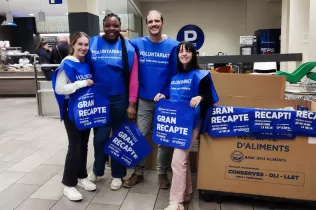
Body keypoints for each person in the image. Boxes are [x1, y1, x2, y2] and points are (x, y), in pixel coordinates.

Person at [154, 41, 219, 210]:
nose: (184, 54)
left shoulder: (201, 75)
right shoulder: (175, 77)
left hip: (192, 123)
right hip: (177, 124)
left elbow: (210, 96)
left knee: (177, 161)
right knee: (183, 161)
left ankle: (176, 203)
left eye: (187, 51)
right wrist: (162, 95)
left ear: (193, 54)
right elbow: (171, 96)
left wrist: (201, 98)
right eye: (181, 51)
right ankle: (187, 193)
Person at [123, 10, 179, 189]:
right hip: (144, 100)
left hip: (166, 100)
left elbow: (178, 75)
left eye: (157, 21)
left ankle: (162, 173)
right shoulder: (137, 44)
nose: (154, 24)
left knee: (164, 139)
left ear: (162, 22)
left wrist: (167, 92)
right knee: (139, 136)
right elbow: (119, 46)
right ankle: (138, 172)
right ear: (146, 24)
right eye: (150, 21)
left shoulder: (173, 45)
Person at [86, 13, 138, 190]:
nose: (111, 29)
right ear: (103, 26)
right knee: (99, 137)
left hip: (119, 99)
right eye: (108, 25)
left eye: (115, 26)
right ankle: (97, 170)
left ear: (120, 27)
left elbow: (133, 78)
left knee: (118, 137)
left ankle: (118, 174)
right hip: (98, 98)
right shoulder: (92, 43)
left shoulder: (128, 48)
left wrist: (131, 103)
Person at [52, 32, 96, 201]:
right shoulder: (67, 63)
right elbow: (59, 88)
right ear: (73, 44)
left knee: (84, 145)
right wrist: (81, 84)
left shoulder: (84, 63)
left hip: (85, 109)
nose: (83, 48)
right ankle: (69, 184)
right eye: (80, 44)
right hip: (71, 110)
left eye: (86, 45)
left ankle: (82, 176)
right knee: (75, 146)